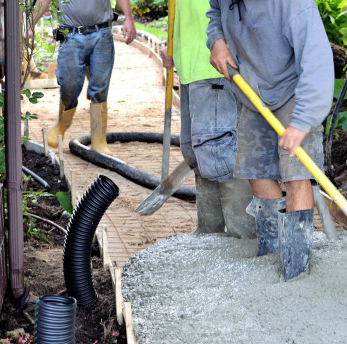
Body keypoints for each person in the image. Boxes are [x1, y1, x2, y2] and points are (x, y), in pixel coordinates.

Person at [206, 0, 334, 280]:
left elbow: (318, 66)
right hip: (253, 92)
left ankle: (295, 268)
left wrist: (301, 123)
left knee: (296, 174)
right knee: (257, 171)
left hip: (295, 92)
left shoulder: (293, 5)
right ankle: (271, 257)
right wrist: (216, 39)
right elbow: (215, 11)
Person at [160, 0, 255, 238]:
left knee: (221, 154)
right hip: (192, 67)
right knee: (198, 154)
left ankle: (243, 239)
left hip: (214, 68)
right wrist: (172, 45)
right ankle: (208, 236)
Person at [28, 0, 137, 156]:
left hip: (102, 33)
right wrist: (31, 25)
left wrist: (129, 18)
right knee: (69, 85)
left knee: (100, 87)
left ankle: (98, 140)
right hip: (71, 35)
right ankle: (62, 124)